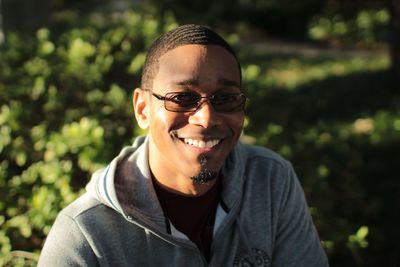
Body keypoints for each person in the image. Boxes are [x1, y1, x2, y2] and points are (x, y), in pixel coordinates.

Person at [38, 24, 329, 266]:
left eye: (225, 98)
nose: (206, 118)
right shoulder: (85, 236)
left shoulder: (270, 182)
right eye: (181, 98)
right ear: (142, 109)